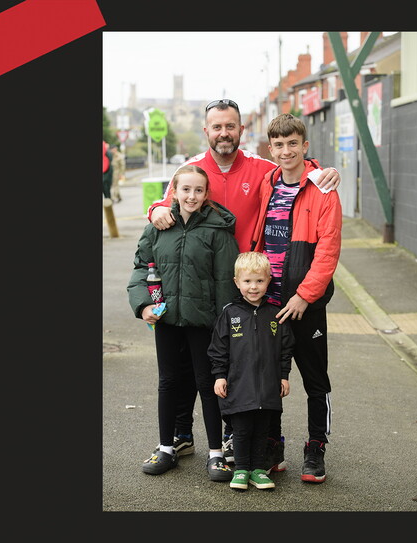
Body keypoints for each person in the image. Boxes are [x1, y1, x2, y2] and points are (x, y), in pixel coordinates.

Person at [146, 99, 341, 464]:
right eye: (216, 127)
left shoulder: (263, 170)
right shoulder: (192, 171)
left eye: (230, 126)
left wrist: (321, 171)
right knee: (197, 366)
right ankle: (183, 434)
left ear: (241, 130)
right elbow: (166, 203)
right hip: (206, 286)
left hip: (257, 287)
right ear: (206, 131)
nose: (224, 133)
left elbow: (296, 169)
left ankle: (275, 441)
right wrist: (156, 208)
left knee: (255, 369)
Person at [126, 164, 239, 482]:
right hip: (166, 320)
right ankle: (167, 448)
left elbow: (225, 282)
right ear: (173, 191)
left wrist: (225, 326)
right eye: (185, 189)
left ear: (206, 194)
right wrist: (143, 305)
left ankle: (216, 454)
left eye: (198, 190)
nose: (191, 196)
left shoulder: (218, 231)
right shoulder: (158, 227)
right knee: (168, 383)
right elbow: (140, 267)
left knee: (208, 385)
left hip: (204, 324)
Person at [249, 113, 342, 484]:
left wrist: (304, 296)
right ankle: (273, 444)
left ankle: (316, 447)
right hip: (270, 302)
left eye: (293, 144)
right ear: (270, 149)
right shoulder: (267, 183)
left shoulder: (323, 189)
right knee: (271, 378)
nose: (286, 151)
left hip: (305, 305)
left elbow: (328, 250)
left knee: (315, 379)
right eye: (279, 145)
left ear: (305, 146)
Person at [209, 251, 294, 491]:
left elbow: (285, 348)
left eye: (259, 281)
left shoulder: (275, 315)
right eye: (247, 281)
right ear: (237, 283)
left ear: (269, 280)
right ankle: (242, 469)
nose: (253, 287)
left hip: (268, 386)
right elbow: (218, 348)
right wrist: (219, 376)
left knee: (262, 430)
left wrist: (284, 376)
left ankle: (258, 470)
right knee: (242, 430)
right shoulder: (229, 314)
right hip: (239, 384)